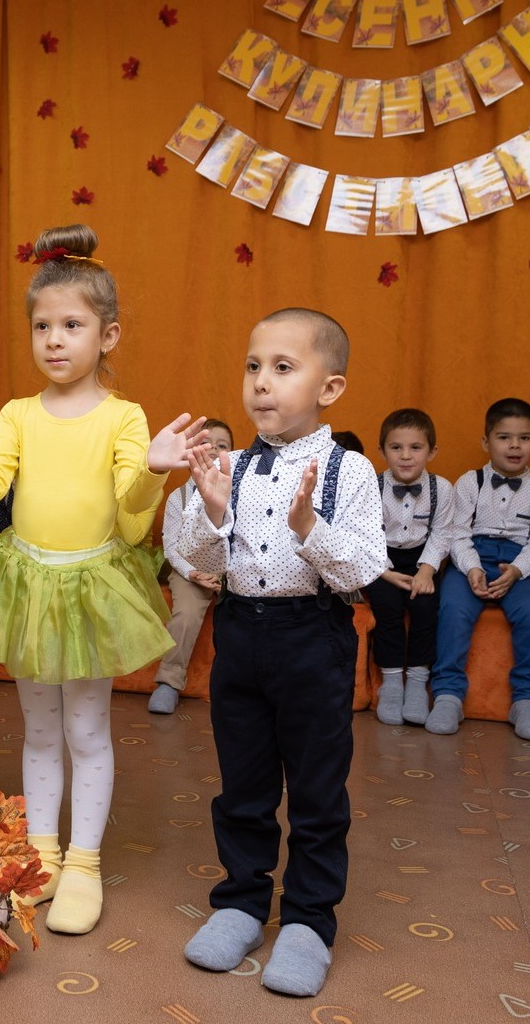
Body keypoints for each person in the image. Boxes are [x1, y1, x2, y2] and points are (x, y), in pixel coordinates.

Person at [0, 224, 199, 935]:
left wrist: (154, 472)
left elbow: (132, 524)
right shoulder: (19, 414)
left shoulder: (125, 416)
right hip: (26, 584)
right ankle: (43, 855)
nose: (54, 340)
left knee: (86, 730)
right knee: (40, 730)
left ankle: (84, 864)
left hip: (89, 588)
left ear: (108, 336)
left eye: (72, 325)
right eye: (42, 326)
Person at [177, 307, 387, 997]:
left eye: (283, 367)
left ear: (330, 388)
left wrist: (309, 529)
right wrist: (212, 511)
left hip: (312, 640)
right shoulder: (229, 466)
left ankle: (308, 921)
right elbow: (201, 560)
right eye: (253, 366)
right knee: (243, 783)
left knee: (318, 790)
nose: (261, 382)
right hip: (240, 635)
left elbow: (362, 571)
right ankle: (241, 902)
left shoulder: (350, 471)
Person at [426, 398, 530, 741]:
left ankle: (527, 700)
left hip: (518, 564)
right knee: (452, 607)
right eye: (504, 437)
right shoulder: (470, 482)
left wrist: (516, 571)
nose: (515, 446)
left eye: (524, 438)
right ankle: (448, 694)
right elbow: (456, 534)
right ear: (486, 442)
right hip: (471, 557)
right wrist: (471, 569)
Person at [364, 409, 453, 725]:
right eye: (396, 447)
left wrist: (427, 570)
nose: (405, 456)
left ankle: (417, 681)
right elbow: (367, 534)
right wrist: (385, 572)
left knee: (426, 606)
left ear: (432, 451)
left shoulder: (442, 488)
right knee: (387, 605)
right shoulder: (371, 486)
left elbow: (442, 533)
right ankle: (391, 682)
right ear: (381, 451)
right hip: (381, 560)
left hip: (421, 558)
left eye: (415, 447)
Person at [148, 418, 234, 715]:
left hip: (231, 571)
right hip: (190, 570)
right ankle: (168, 682)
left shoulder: (242, 492)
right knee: (185, 614)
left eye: (222, 446)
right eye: (206, 444)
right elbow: (172, 548)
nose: (213, 451)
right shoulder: (178, 498)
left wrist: (224, 574)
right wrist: (192, 573)